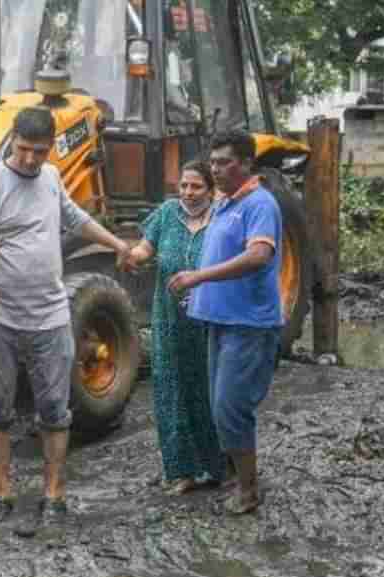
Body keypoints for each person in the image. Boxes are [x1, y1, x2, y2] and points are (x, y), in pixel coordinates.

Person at [0, 105, 132, 537]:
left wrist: (117, 243)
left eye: (41, 151)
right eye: (25, 150)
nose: (32, 160)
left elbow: (74, 218)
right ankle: (2, 492)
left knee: (55, 411)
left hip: (51, 317)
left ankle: (54, 494)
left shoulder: (51, 179)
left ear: (52, 148)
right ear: (12, 140)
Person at [167, 130, 284, 515]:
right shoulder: (226, 203)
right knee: (222, 409)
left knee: (231, 408)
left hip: (248, 323)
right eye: (212, 162)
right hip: (219, 321)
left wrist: (199, 278)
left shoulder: (259, 204)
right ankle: (238, 478)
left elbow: (259, 255)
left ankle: (248, 490)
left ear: (247, 164)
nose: (215, 169)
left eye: (223, 162)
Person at [122, 160, 227, 495]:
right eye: (183, 185)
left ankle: (219, 467)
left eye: (196, 187)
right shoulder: (167, 213)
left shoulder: (224, 218)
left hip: (211, 320)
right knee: (171, 390)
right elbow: (145, 248)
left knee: (212, 391)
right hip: (169, 320)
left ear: (210, 189)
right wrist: (132, 255)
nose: (187, 193)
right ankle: (180, 471)